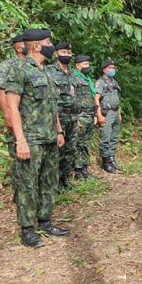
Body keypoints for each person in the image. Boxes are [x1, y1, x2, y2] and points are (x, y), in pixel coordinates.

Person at [4, 29, 70, 248]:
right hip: (31, 138)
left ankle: (45, 221)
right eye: (48, 42)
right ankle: (27, 230)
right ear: (36, 46)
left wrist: (59, 131)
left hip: (50, 137)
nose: (52, 46)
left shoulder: (48, 72)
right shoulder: (20, 69)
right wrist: (20, 140)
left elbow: (52, 106)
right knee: (28, 185)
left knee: (49, 182)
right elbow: (12, 108)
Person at [0, 31, 27, 212]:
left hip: (32, 119)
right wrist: (7, 114)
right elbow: (0, 90)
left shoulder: (33, 65)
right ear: (17, 46)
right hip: (15, 116)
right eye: (23, 43)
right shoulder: (7, 65)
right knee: (18, 155)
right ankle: (19, 193)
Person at [48, 42, 80, 191]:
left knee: (70, 150)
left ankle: (64, 179)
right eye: (63, 52)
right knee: (58, 151)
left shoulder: (72, 73)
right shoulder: (49, 71)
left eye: (68, 52)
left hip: (73, 117)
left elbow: (76, 94)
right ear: (56, 53)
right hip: (59, 117)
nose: (66, 55)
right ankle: (55, 183)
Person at [71, 54, 97, 181]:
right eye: (85, 64)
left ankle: (85, 169)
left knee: (86, 144)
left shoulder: (87, 79)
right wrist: (76, 118)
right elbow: (72, 99)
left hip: (90, 115)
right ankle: (78, 171)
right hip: (81, 116)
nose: (88, 66)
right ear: (77, 66)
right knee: (79, 144)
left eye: (88, 64)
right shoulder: (74, 79)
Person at [95, 59, 122, 173]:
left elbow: (117, 98)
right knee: (105, 137)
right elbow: (96, 98)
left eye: (113, 68)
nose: (112, 70)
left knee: (114, 137)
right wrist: (99, 115)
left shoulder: (114, 81)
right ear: (104, 69)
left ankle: (112, 159)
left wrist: (119, 113)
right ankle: (105, 162)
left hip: (115, 112)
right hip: (106, 112)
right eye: (109, 68)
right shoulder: (100, 82)